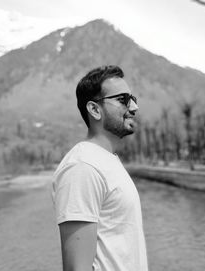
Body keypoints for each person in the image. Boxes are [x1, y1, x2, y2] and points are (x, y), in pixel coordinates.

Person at [51, 65, 148, 271]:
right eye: (123, 100)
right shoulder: (82, 167)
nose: (133, 107)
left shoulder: (107, 160)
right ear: (95, 109)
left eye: (133, 99)